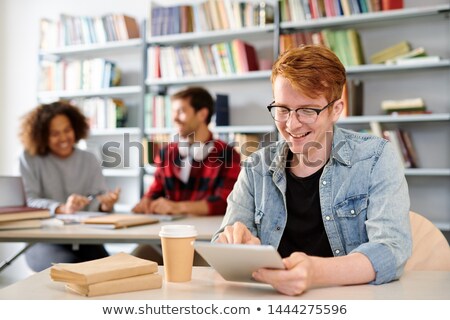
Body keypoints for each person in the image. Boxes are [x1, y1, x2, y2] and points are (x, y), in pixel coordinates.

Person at [213, 45, 412, 296]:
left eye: (307, 110)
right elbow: (221, 242)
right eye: (283, 109)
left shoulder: (376, 158)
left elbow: (391, 251)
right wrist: (237, 246)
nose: (292, 124)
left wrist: (316, 272)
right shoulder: (256, 166)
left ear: (336, 110)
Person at [132, 87, 241, 262]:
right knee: (136, 260)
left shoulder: (227, 154)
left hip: (206, 241)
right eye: (173, 112)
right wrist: (146, 203)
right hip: (166, 238)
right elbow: (154, 192)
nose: (174, 118)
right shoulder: (166, 153)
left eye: (181, 111)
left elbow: (225, 203)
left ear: (202, 114)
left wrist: (178, 207)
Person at [19, 101, 120, 272]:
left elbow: (98, 198)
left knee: (111, 271)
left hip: (85, 239)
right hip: (42, 240)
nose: (64, 138)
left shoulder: (89, 159)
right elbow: (27, 201)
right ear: (42, 135)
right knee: (71, 269)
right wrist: (61, 208)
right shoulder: (29, 158)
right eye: (55, 133)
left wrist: (105, 205)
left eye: (67, 130)